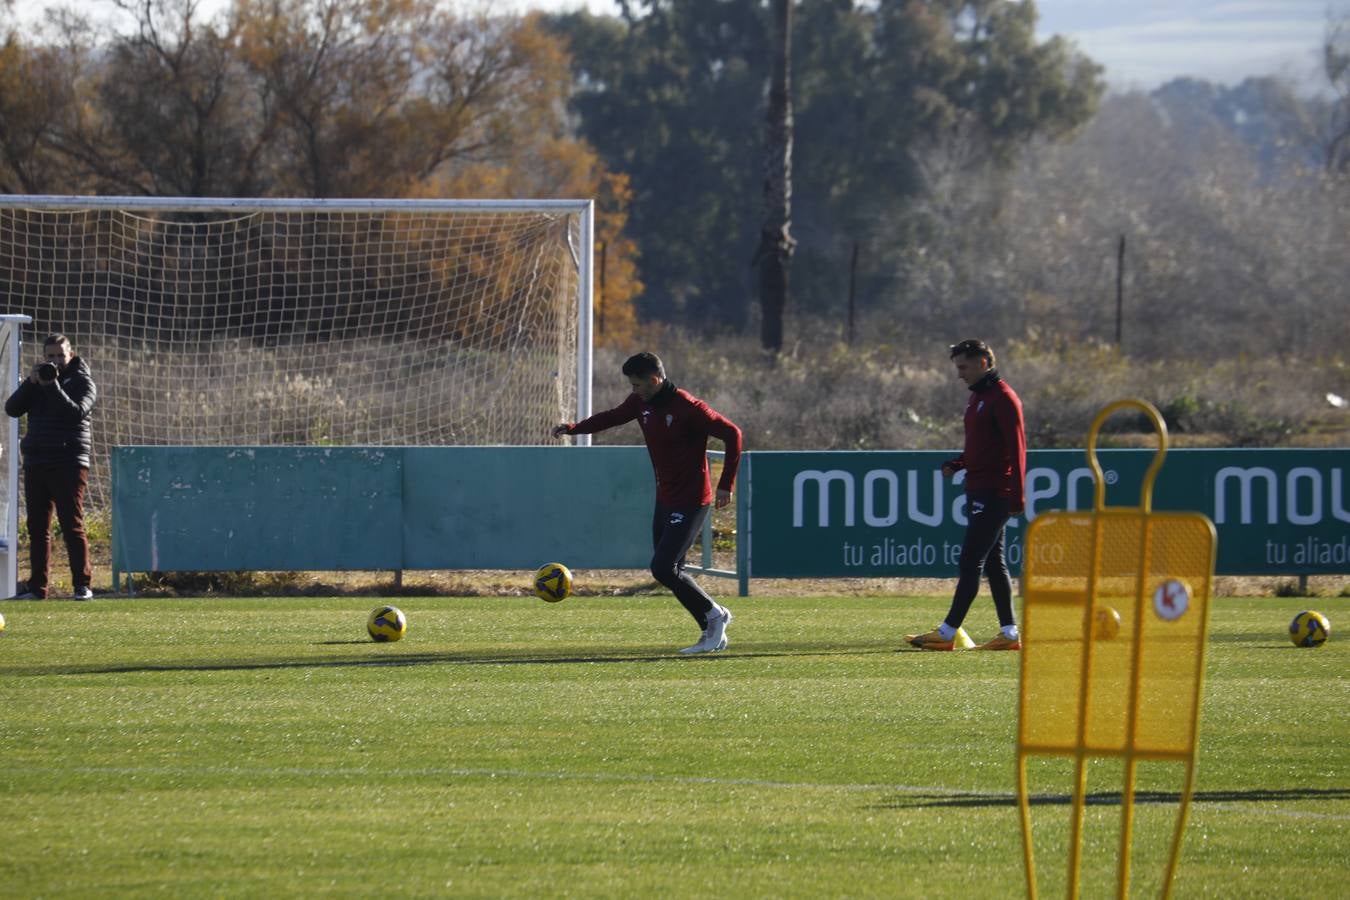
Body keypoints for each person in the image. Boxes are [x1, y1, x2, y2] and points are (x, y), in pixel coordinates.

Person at [553, 352, 743, 654]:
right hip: (666, 497)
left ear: (655, 380)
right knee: (673, 568)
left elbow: (733, 434)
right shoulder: (640, 403)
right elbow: (612, 417)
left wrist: (726, 485)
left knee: (663, 568)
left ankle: (715, 615)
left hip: (692, 499)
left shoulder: (688, 407)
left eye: (638, 385)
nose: (634, 390)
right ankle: (712, 627)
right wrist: (575, 428)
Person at [908, 339, 1026, 651]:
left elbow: (1017, 450)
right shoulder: (978, 398)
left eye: (964, 367)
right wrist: (958, 463)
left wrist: (1018, 497)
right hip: (979, 487)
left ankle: (947, 633)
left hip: (995, 491)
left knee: (971, 559)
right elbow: (981, 446)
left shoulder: (1004, 398)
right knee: (993, 563)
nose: (960, 374)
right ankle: (1010, 634)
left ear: (983, 363)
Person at [5, 333, 97, 600]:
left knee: (71, 524)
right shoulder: (39, 382)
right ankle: (37, 589)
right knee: (37, 528)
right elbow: (11, 408)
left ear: (71, 354)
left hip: (68, 461)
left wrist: (52, 386)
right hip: (37, 461)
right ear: (44, 357)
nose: (55, 361)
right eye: (50, 356)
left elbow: (75, 413)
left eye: (60, 355)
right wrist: (30, 385)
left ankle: (82, 585)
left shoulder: (83, 381)